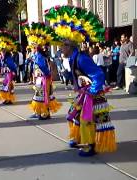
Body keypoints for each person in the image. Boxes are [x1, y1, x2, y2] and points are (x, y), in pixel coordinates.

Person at [46, 5, 117, 156]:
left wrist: (91, 91)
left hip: (92, 95)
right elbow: (75, 76)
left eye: (63, 45)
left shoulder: (82, 58)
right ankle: (77, 137)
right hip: (83, 94)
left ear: (70, 46)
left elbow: (98, 74)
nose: (61, 48)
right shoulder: (72, 58)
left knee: (86, 120)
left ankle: (89, 145)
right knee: (72, 114)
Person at [23, 22, 62, 120]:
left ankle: (44, 113)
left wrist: (47, 75)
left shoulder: (39, 56)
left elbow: (43, 67)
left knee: (43, 96)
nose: (31, 48)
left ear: (36, 47)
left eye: (32, 47)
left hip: (42, 79)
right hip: (40, 78)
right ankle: (39, 112)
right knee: (39, 96)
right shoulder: (36, 55)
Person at [0, 30, 17, 104]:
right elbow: (0, 65)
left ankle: (8, 99)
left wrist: (13, 72)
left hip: (9, 74)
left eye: (2, 50)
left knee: (8, 86)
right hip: (6, 74)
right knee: (5, 86)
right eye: (1, 50)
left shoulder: (8, 58)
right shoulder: (3, 58)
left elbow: (12, 66)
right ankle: (7, 99)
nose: (1, 52)